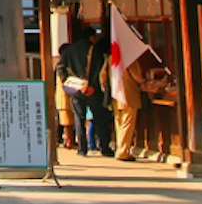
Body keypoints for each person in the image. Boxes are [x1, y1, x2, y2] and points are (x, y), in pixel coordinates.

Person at [56, 26, 113, 157]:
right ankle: (105, 147)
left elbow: (61, 67)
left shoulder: (69, 50)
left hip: (76, 90)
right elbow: (100, 69)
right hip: (93, 90)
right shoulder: (95, 50)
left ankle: (82, 149)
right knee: (99, 119)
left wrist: (68, 81)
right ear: (91, 37)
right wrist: (91, 86)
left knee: (79, 118)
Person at [108, 49, 148, 162]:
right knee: (127, 123)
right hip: (128, 93)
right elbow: (137, 76)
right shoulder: (129, 58)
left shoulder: (111, 58)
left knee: (119, 122)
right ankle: (122, 151)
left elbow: (103, 75)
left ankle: (120, 148)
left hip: (116, 93)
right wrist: (143, 80)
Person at [54, 42, 77, 151]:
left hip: (65, 96)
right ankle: (68, 141)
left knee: (68, 120)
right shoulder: (61, 65)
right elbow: (65, 80)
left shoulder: (62, 64)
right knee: (67, 121)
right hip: (64, 96)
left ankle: (68, 140)